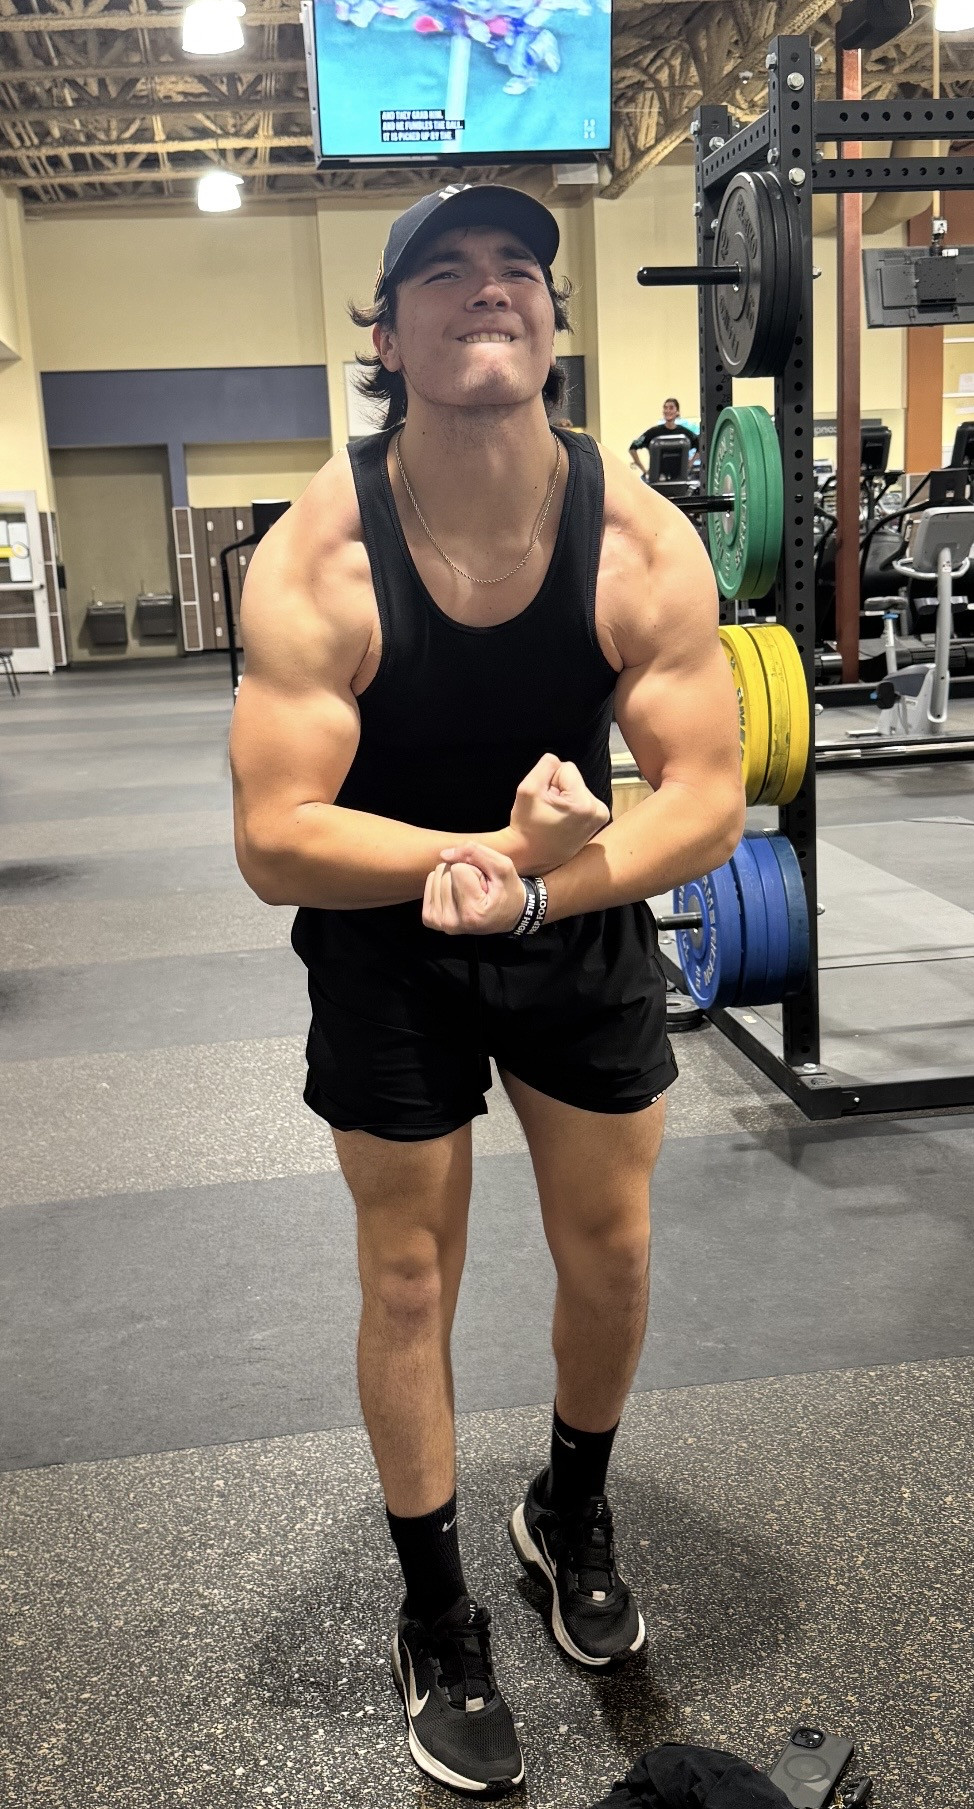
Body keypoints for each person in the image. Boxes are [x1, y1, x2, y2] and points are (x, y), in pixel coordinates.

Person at [229, 183, 744, 1798]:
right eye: (442, 273)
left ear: (552, 318)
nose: (486, 290)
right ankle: (435, 1609)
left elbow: (704, 793)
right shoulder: (318, 551)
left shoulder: (636, 535)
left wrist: (534, 882)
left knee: (612, 1244)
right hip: (383, 930)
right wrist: (478, 856)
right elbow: (276, 836)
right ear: (383, 335)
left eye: (515, 266)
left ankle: (568, 1507)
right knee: (405, 1278)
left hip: (567, 901)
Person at [629, 397, 699, 476]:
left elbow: (701, 445)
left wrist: (691, 462)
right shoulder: (653, 432)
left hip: (679, 477)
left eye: (671, 408)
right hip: (657, 478)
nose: (668, 411)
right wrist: (644, 470)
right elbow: (633, 448)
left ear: (677, 412)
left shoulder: (684, 433)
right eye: (665, 408)